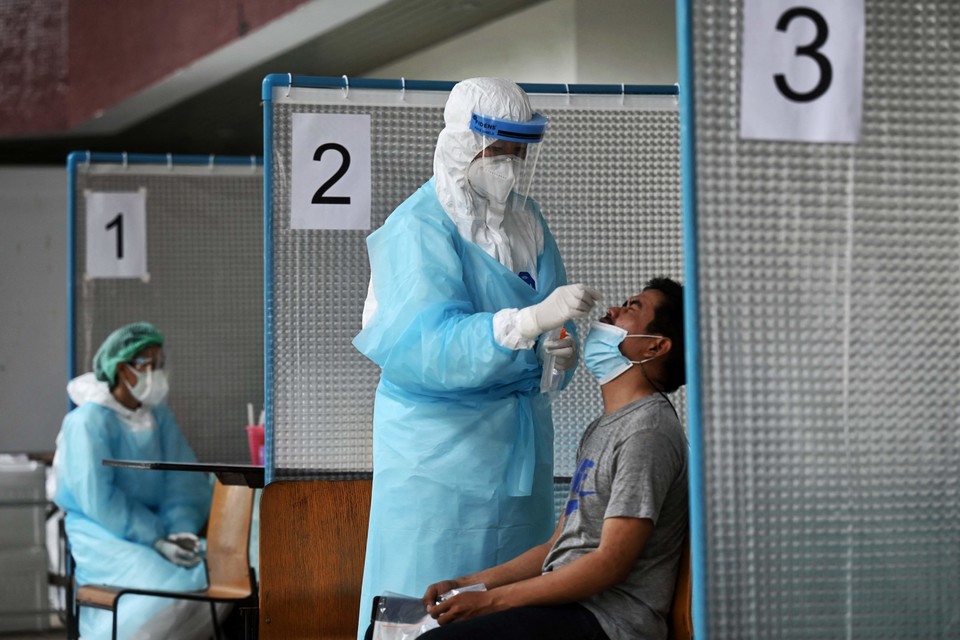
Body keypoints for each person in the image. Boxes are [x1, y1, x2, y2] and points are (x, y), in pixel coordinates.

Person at [353, 77, 602, 636]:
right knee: (427, 601)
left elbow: (551, 333)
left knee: (511, 602)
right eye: (498, 150)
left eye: (519, 150)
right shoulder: (416, 228)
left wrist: (557, 354)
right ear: (462, 143)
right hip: (436, 461)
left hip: (518, 453)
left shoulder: (527, 222)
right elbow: (426, 347)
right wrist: (528, 321)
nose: (509, 164)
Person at [410, 277, 689, 640]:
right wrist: (466, 585)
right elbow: (555, 546)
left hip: (608, 622)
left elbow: (609, 564)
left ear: (655, 346)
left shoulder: (647, 432)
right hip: (570, 609)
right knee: (386, 629)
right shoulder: (603, 428)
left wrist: (491, 602)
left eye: (632, 308)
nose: (612, 311)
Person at [53, 322, 216, 640]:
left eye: (159, 364)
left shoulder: (158, 416)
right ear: (119, 368)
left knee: (219, 570)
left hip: (161, 529)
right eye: (145, 365)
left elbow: (183, 479)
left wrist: (179, 529)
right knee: (163, 591)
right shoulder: (88, 421)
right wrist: (154, 538)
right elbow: (99, 498)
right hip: (102, 532)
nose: (154, 373)